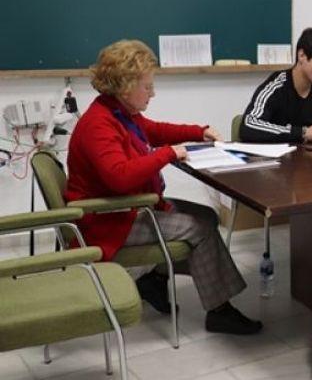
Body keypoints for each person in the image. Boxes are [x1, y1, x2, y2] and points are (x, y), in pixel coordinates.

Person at [66, 39, 262, 335]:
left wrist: (198, 132)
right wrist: (169, 153)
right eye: (147, 86)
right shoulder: (99, 124)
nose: (153, 92)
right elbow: (120, 176)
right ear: (124, 86)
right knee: (200, 227)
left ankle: (154, 280)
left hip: (127, 208)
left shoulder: (118, 113)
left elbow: (154, 131)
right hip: (109, 220)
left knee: (208, 216)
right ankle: (220, 311)